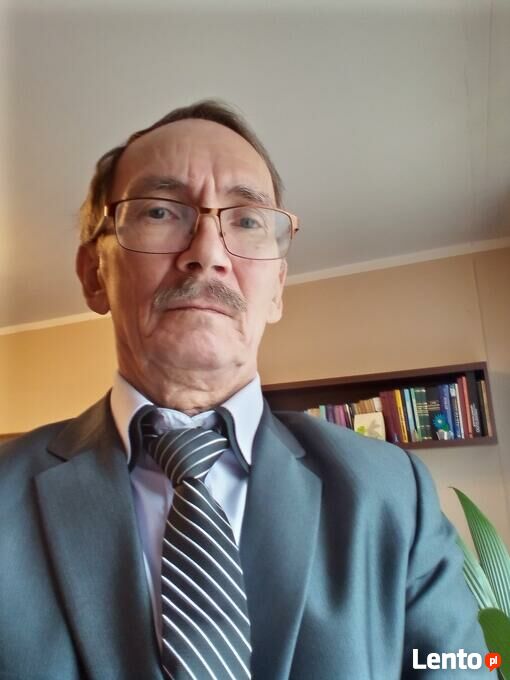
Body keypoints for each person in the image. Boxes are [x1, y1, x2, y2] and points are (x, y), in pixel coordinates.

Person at [0, 100, 487, 680]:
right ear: (93, 274)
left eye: (248, 221)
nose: (207, 254)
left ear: (277, 288)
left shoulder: (394, 494)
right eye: (159, 211)